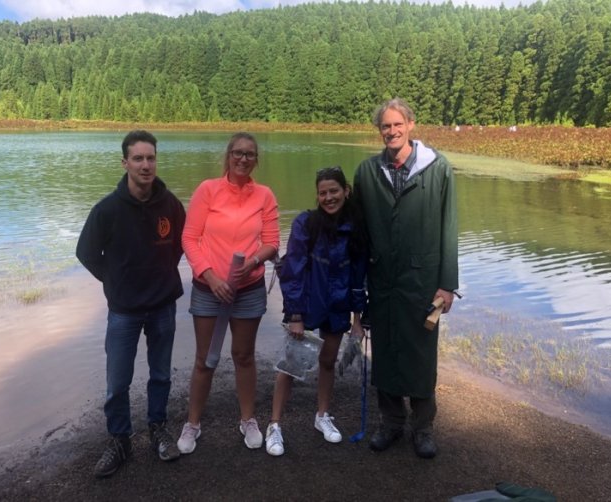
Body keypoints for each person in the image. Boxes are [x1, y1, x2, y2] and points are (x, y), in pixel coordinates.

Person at [352, 98, 459, 459]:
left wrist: (447, 284)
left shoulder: (438, 168)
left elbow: (449, 229)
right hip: (382, 279)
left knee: (420, 352)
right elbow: (359, 231)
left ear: (411, 125)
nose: (392, 132)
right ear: (379, 130)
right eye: (385, 126)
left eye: (398, 124)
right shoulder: (367, 172)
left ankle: (423, 427)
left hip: (423, 280)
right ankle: (391, 423)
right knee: (386, 351)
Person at [76, 130, 186, 478]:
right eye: (137, 158)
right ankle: (120, 440)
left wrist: (162, 273)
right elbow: (87, 254)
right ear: (125, 162)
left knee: (161, 375)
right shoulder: (106, 210)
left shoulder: (171, 206)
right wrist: (115, 284)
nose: (145, 165)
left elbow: (183, 244)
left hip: (163, 306)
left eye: (150, 157)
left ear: (156, 160)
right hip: (124, 311)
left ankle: (158, 430)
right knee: (117, 381)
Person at [178, 132, 280, 454]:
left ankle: (247, 419)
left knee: (244, 356)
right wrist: (211, 277)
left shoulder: (264, 195)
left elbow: (272, 241)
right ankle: (192, 423)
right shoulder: (207, 190)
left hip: (248, 289)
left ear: (256, 160)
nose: (243, 159)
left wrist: (251, 263)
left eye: (250, 154)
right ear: (228, 155)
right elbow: (190, 239)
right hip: (209, 289)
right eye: (237, 153)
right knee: (204, 360)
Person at [264, 166, 367, 456]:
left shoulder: (356, 228)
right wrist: (295, 315)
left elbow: (359, 276)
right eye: (323, 193)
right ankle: (275, 425)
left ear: (345, 191)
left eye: (334, 191)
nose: (329, 197)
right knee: (292, 364)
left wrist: (358, 318)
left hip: (338, 304)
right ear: (317, 195)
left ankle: (322, 415)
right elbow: (293, 270)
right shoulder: (305, 224)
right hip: (307, 303)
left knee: (328, 361)